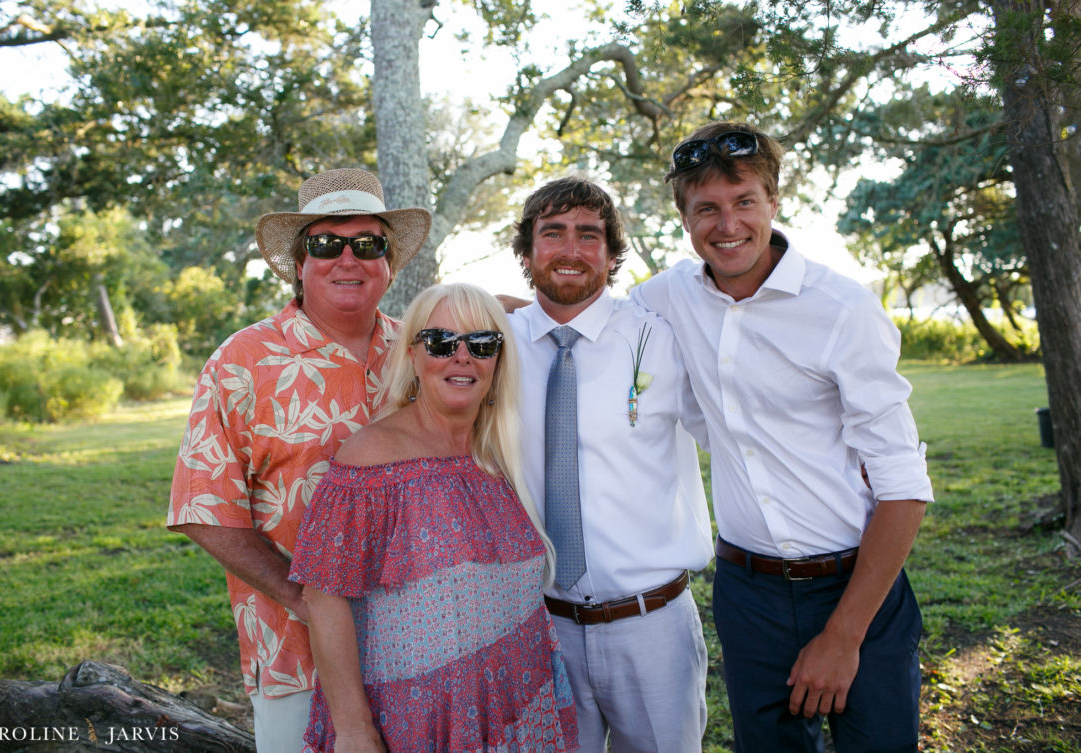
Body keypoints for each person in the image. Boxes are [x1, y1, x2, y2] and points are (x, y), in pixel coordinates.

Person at [630, 121, 934, 752]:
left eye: (744, 202)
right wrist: (483, 317)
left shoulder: (842, 308)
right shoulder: (664, 298)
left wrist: (844, 636)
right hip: (748, 592)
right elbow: (585, 314)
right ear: (684, 220)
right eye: (706, 209)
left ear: (773, 201)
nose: (727, 224)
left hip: (857, 585)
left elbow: (904, 486)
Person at [167, 168, 431, 753]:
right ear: (298, 263)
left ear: (389, 262)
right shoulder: (244, 361)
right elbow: (201, 506)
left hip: (420, 643)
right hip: (295, 655)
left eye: (368, 244)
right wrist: (301, 597)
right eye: (324, 243)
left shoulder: (418, 356)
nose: (348, 259)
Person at [289, 282, 579, 753]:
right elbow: (324, 597)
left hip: (519, 703)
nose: (462, 356)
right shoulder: (372, 458)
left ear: (498, 360)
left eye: (482, 343)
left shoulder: (496, 455)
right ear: (414, 357)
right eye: (442, 342)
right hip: (421, 719)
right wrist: (354, 730)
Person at [507, 177, 713, 753]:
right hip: (542, 627)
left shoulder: (661, 339)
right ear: (527, 253)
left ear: (612, 254)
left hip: (653, 626)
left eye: (588, 235)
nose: (570, 250)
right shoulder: (496, 345)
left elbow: (734, 431)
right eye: (552, 234)